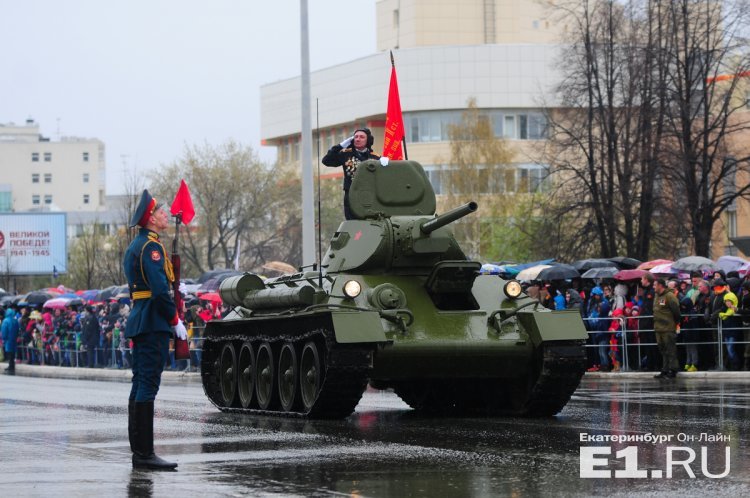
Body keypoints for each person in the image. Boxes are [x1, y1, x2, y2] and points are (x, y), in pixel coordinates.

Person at [123, 189, 187, 471]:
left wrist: (177, 287)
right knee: (148, 385)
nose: (165, 215)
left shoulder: (137, 246)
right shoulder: (151, 247)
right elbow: (159, 290)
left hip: (142, 319)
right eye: (161, 212)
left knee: (140, 384)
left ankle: (140, 452)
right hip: (153, 322)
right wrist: (175, 320)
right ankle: (145, 454)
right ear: (151, 218)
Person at [322, 128, 380, 220]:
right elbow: (326, 160)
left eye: (361, 137)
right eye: (356, 137)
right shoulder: (346, 154)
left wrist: (386, 164)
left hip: (370, 195)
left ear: (368, 140)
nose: (357, 139)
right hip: (351, 194)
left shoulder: (375, 157)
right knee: (352, 222)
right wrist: (340, 146)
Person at [653, 278, 681, 379]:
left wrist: (675, 322)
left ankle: (673, 370)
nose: (653, 287)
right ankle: (665, 369)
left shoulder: (669, 296)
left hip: (668, 328)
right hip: (658, 328)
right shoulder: (656, 296)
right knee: (663, 350)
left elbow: (676, 311)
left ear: (660, 285)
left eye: (655, 285)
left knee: (671, 350)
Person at [2, 307, 19, 374]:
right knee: (13, 352)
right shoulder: (15, 320)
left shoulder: (5, 321)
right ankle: (12, 365)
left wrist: (4, 338)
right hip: (14, 339)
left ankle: (10, 365)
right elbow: (18, 330)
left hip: (8, 339)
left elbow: (4, 330)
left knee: (9, 352)